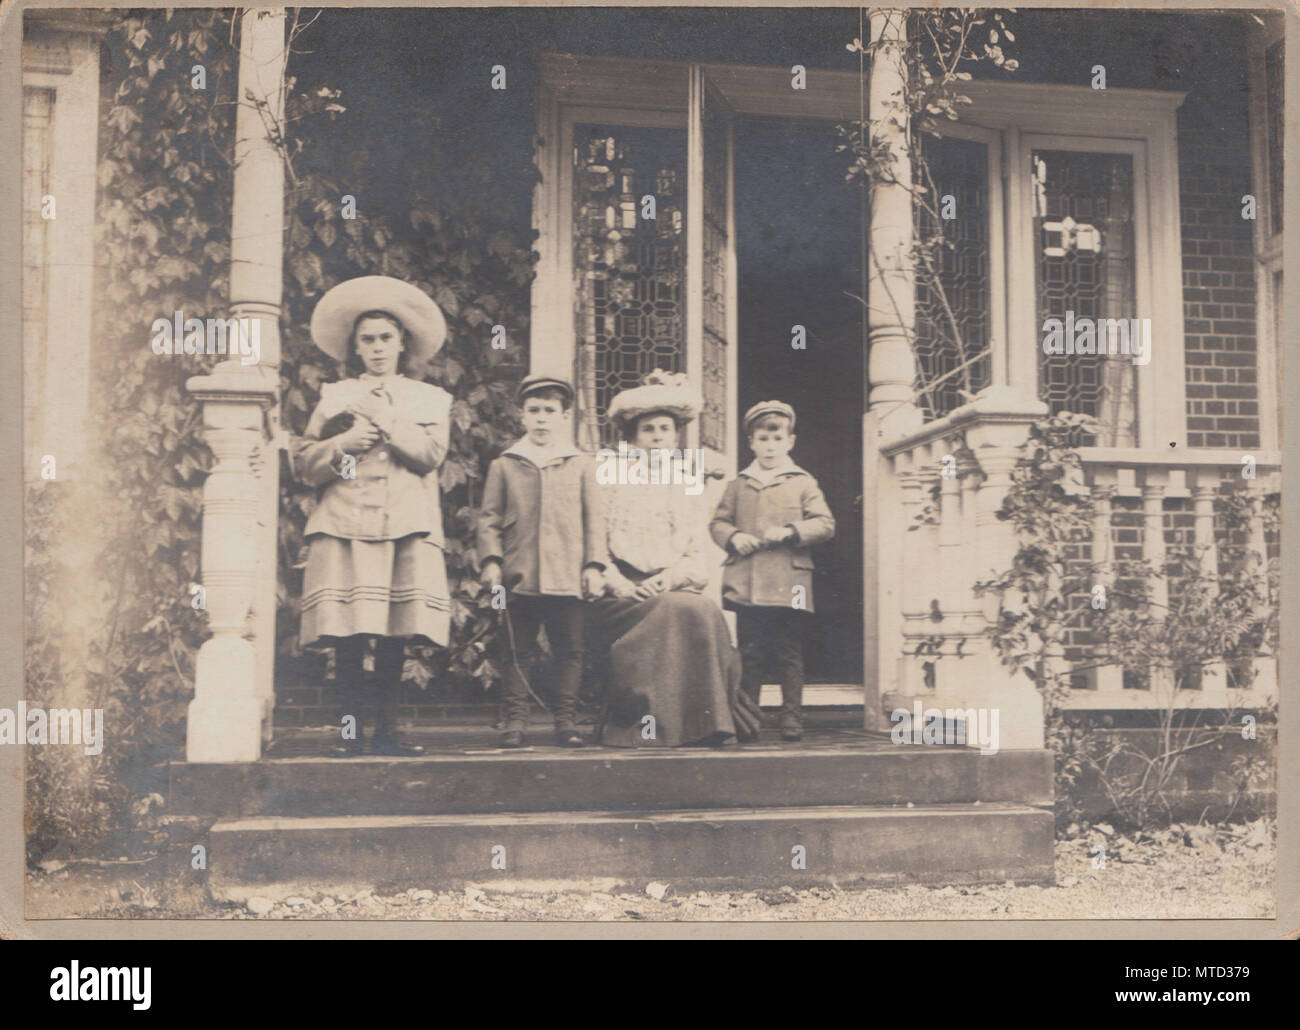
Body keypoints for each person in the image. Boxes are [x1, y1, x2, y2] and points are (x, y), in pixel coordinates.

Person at [293, 275, 453, 757]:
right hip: (344, 523)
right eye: (368, 340)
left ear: (403, 343)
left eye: (387, 338)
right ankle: (348, 735)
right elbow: (304, 463)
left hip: (403, 524)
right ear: (355, 348)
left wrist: (384, 421)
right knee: (346, 634)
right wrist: (344, 443)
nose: (378, 348)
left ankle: (386, 734)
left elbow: (429, 456)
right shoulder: (335, 396)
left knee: (392, 635)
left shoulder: (428, 399)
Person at [592, 370, 741, 748]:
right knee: (680, 611)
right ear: (632, 438)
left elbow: (696, 558)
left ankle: (710, 723)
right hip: (620, 595)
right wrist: (622, 583)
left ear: (676, 437)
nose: (657, 437)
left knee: (702, 610)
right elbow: (595, 549)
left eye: (665, 429)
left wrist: (670, 577)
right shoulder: (610, 482)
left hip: (668, 587)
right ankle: (651, 725)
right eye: (648, 430)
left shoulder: (684, 486)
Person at [478, 374, 605, 748]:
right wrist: (491, 561)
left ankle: (566, 721)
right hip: (519, 573)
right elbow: (489, 517)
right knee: (517, 648)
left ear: (564, 416)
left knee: (571, 649)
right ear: (522, 416)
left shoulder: (581, 464)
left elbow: (594, 519)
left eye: (550, 411)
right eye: (534, 410)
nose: (542, 418)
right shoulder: (505, 464)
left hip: (568, 572)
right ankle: (515, 722)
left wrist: (594, 566)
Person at [709, 400, 835, 742]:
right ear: (751, 442)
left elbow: (825, 524)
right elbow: (718, 523)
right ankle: (749, 719)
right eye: (763, 439)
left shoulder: (803, 482)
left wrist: (792, 531)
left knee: (788, 650)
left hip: (789, 580)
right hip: (749, 579)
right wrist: (734, 537)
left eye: (777, 438)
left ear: (790, 442)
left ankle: (791, 717)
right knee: (751, 651)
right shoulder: (738, 485)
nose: (770, 446)